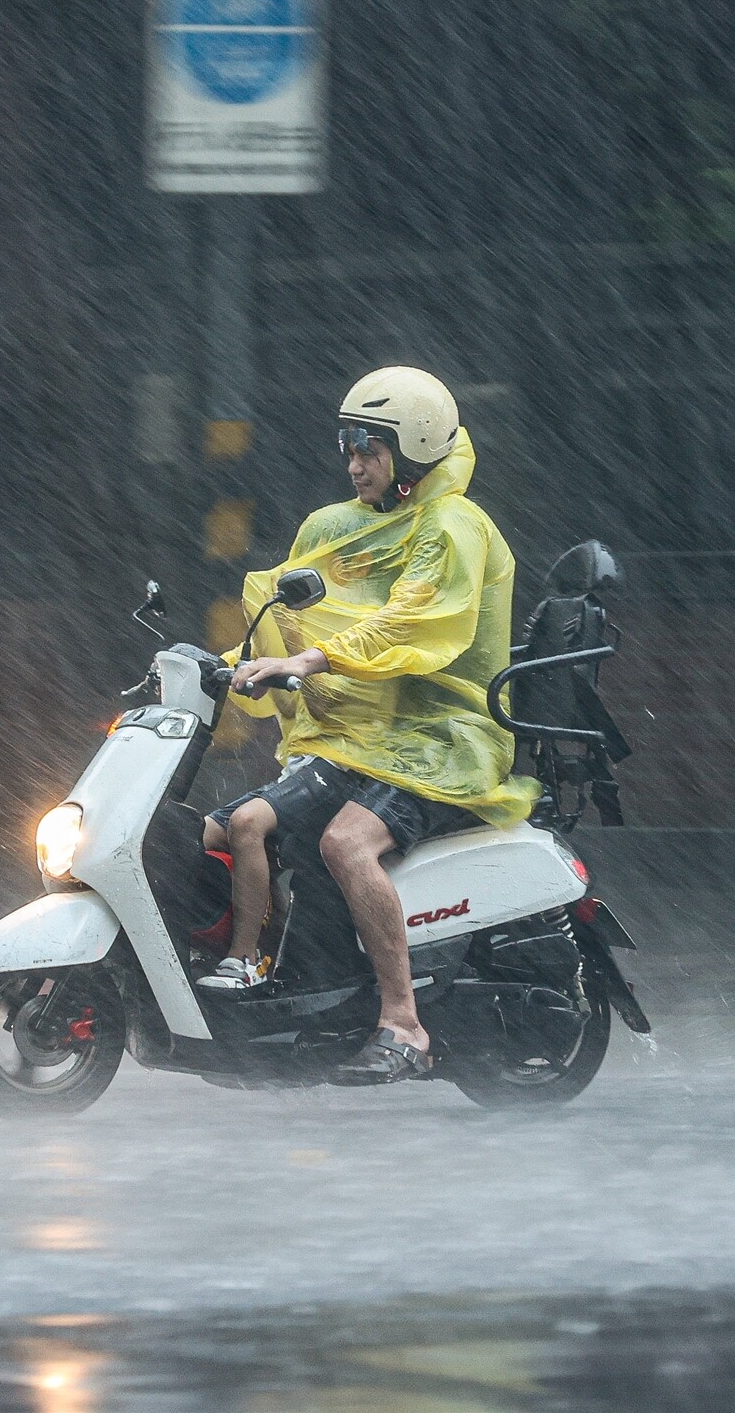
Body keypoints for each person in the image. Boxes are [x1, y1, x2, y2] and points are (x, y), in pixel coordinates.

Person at [197, 366, 540, 1083]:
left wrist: (317, 660)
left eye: (370, 449)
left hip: (439, 738)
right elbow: (287, 626)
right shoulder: (342, 529)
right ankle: (278, 984)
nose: (354, 464)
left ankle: (403, 1023)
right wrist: (216, 665)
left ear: (413, 447)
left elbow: (407, 620)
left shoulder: (452, 527)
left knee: (346, 843)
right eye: (348, 446)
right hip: (362, 738)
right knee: (220, 828)